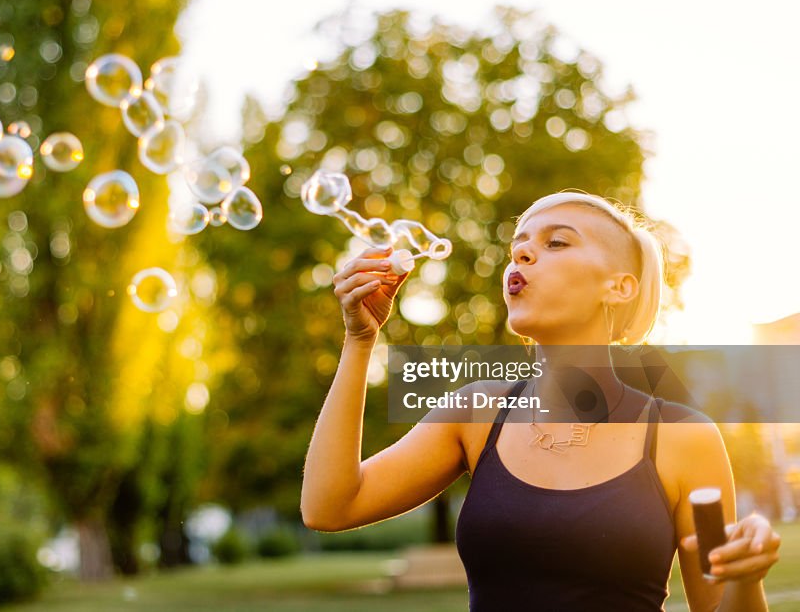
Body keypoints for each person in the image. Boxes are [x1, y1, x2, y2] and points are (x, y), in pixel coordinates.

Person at [301, 191, 781, 611]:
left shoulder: (682, 436)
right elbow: (331, 507)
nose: (522, 254)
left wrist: (744, 578)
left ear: (619, 287)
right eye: (519, 246)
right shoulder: (475, 414)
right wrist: (360, 340)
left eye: (556, 242)